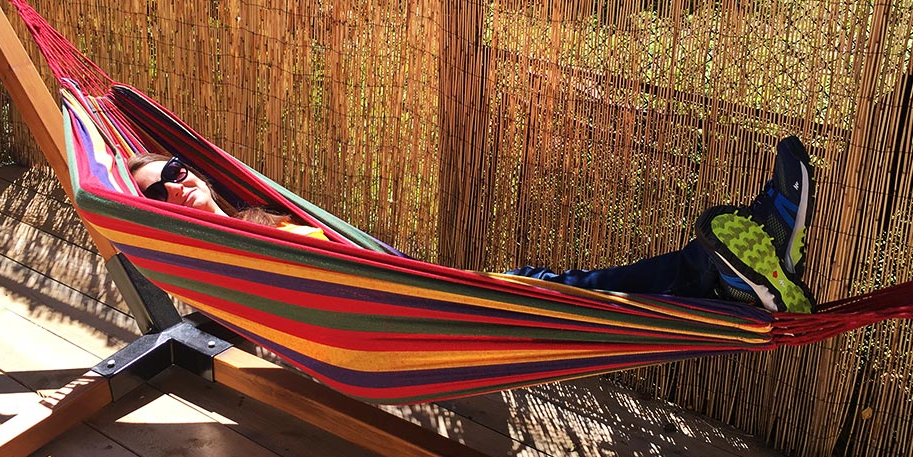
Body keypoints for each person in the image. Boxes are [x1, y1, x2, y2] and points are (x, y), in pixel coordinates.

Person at [128, 138, 818, 314]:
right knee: (559, 293)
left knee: (563, 286)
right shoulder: (226, 256)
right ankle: (721, 278)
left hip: (407, 285)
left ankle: (724, 276)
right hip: (395, 313)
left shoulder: (255, 217)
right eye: (159, 190)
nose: (176, 183)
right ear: (159, 217)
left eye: (176, 168)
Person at [507, 136, 816, 313]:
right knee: (575, 298)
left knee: (552, 290)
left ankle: (737, 282)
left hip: (495, 303)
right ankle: (739, 275)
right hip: (505, 307)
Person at [127, 152, 329, 240]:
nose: (175, 188)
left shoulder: (269, 222)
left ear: (198, 176)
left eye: (173, 172)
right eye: (156, 193)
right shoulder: (199, 266)